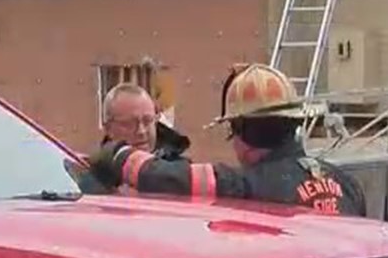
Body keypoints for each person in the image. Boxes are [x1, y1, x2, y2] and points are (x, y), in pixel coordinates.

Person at [84, 62, 368, 215]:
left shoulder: (246, 185)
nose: (143, 130)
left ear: (242, 132)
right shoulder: (348, 185)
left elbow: (161, 175)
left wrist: (114, 154)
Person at [78, 82, 190, 194]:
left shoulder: (181, 169)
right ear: (108, 129)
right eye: (129, 124)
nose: (141, 131)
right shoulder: (91, 180)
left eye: (147, 121)